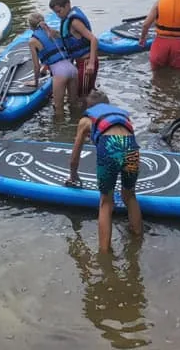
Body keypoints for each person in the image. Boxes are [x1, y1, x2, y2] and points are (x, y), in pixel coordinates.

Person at [66, 89, 142, 254]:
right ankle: (137, 240)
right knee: (129, 196)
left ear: (89, 107)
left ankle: (104, 254)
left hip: (109, 145)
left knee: (106, 203)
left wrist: (73, 176)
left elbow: (75, 156)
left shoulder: (86, 120)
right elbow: (128, 138)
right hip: (131, 146)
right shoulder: (122, 116)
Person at [26, 12, 77, 114]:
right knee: (74, 105)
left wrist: (35, 82)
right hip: (72, 69)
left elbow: (36, 66)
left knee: (58, 109)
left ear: (30, 26)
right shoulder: (54, 32)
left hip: (59, 73)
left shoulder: (32, 41)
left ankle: (59, 129)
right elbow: (60, 51)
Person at [49, 0, 99, 97]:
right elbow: (71, 36)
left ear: (67, 5)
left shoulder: (75, 22)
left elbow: (93, 39)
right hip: (79, 62)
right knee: (79, 93)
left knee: (83, 95)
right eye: (55, 13)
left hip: (86, 63)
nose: (58, 15)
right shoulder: (66, 19)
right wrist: (55, 34)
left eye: (59, 11)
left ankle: (90, 111)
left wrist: (91, 63)